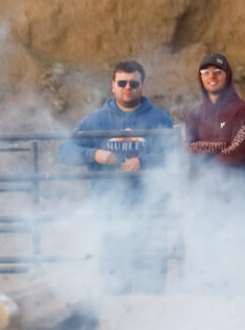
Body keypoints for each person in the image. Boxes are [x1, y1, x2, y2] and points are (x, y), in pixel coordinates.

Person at [63, 60, 176, 293]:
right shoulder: (95, 120)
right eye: (122, 82)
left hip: (150, 211)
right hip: (110, 212)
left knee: (151, 281)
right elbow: (64, 151)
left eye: (133, 83)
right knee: (114, 284)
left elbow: (172, 154)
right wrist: (94, 154)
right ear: (112, 86)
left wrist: (144, 161)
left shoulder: (159, 118)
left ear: (142, 86)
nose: (128, 87)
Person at [184, 54, 245, 169]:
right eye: (206, 72)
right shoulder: (194, 115)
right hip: (197, 186)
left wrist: (200, 148)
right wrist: (224, 143)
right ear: (200, 77)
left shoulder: (244, 110)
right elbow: (186, 151)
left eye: (218, 71)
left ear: (227, 76)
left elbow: (237, 154)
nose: (212, 76)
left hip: (232, 184)